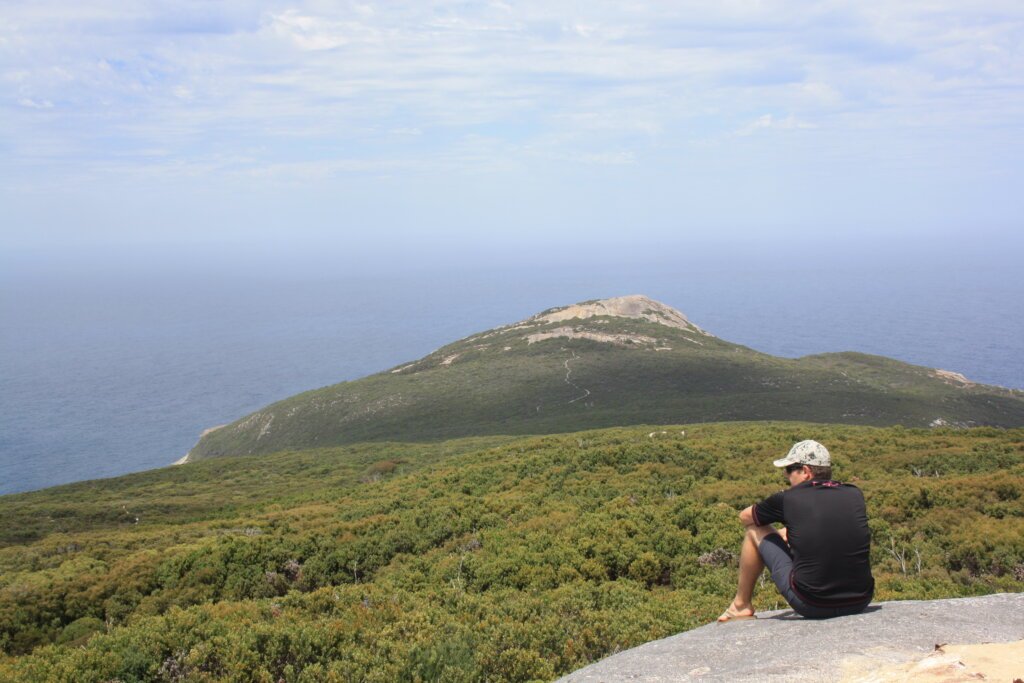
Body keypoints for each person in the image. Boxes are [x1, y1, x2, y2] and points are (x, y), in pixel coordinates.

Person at [717, 439, 874, 621]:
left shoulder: (788, 499)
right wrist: (792, 530)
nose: (786, 474)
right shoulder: (854, 493)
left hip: (812, 603)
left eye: (789, 469)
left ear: (806, 471)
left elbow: (745, 517)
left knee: (755, 530)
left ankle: (741, 605)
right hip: (860, 599)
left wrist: (780, 531)